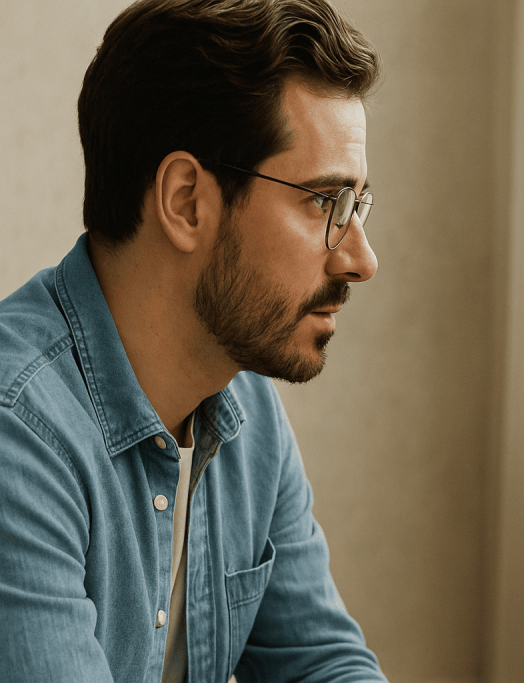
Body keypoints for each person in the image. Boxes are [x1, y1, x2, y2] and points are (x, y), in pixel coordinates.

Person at [0, 0, 387, 681]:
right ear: (186, 201)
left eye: (357, 205)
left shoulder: (247, 406)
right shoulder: (19, 433)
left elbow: (321, 662)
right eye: (324, 202)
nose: (361, 258)